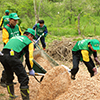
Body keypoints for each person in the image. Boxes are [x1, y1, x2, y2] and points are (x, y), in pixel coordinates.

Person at [0, 28, 36, 100]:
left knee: (9, 75)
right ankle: (26, 99)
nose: (32, 39)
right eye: (32, 37)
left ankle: (11, 96)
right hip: (12, 57)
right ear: (30, 35)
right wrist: (30, 69)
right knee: (24, 78)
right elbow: (29, 57)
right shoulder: (29, 42)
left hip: (2, 55)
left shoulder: (15, 37)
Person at [0, 13, 23, 87]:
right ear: (10, 20)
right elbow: (5, 40)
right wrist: (14, 44)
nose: (16, 22)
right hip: (9, 50)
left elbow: (21, 35)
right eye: (14, 20)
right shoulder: (6, 28)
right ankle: (3, 80)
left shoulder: (17, 27)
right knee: (8, 66)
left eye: (16, 20)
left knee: (13, 66)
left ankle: (9, 80)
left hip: (17, 50)